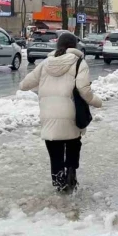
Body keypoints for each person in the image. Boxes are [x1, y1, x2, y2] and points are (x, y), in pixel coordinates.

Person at [19, 33, 102, 192]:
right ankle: (71, 172)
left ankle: (59, 182)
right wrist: (97, 102)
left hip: (48, 115)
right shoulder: (79, 63)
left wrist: (25, 83)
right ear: (75, 46)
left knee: (55, 150)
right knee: (73, 144)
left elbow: (25, 85)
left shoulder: (45, 63)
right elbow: (84, 90)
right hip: (70, 114)